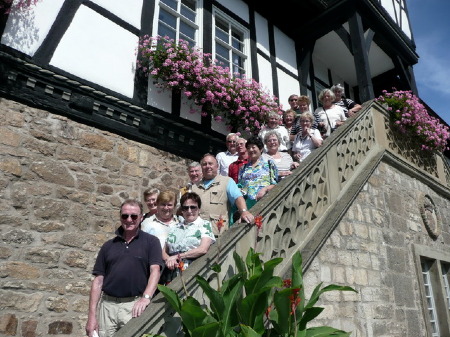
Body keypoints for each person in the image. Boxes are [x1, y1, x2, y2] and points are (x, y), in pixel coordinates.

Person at [85, 199, 163, 337]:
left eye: (134, 216)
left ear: (141, 217)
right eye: (125, 216)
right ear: (120, 216)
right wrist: (92, 317)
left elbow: (155, 270)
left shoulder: (151, 242)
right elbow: (98, 281)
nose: (129, 219)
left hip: (134, 306)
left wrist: (146, 298)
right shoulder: (108, 246)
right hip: (107, 307)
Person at [192, 153, 254, 235]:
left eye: (210, 164)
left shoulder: (227, 182)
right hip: (197, 233)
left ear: (217, 166)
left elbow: (238, 197)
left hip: (217, 233)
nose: (207, 166)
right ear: (201, 168)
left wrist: (244, 212)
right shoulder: (194, 187)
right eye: (204, 164)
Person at [162, 192, 215, 283]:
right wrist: (169, 260)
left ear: (199, 209)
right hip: (171, 272)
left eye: (193, 207)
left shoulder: (204, 225)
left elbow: (203, 249)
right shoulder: (175, 227)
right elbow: (164, 250)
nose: (189, 211)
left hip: (192, 271)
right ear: (182, 210)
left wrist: (177, 257)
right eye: (185, 208)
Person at [238, 136, 278, 208]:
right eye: (248, 148)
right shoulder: (243, 168)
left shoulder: (269, 164)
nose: (251, 150)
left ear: (261, 149)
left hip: (263, 203)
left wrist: (265, 189)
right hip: (246, 205)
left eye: (253, 147)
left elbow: (274, 185)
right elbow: (240, 186)